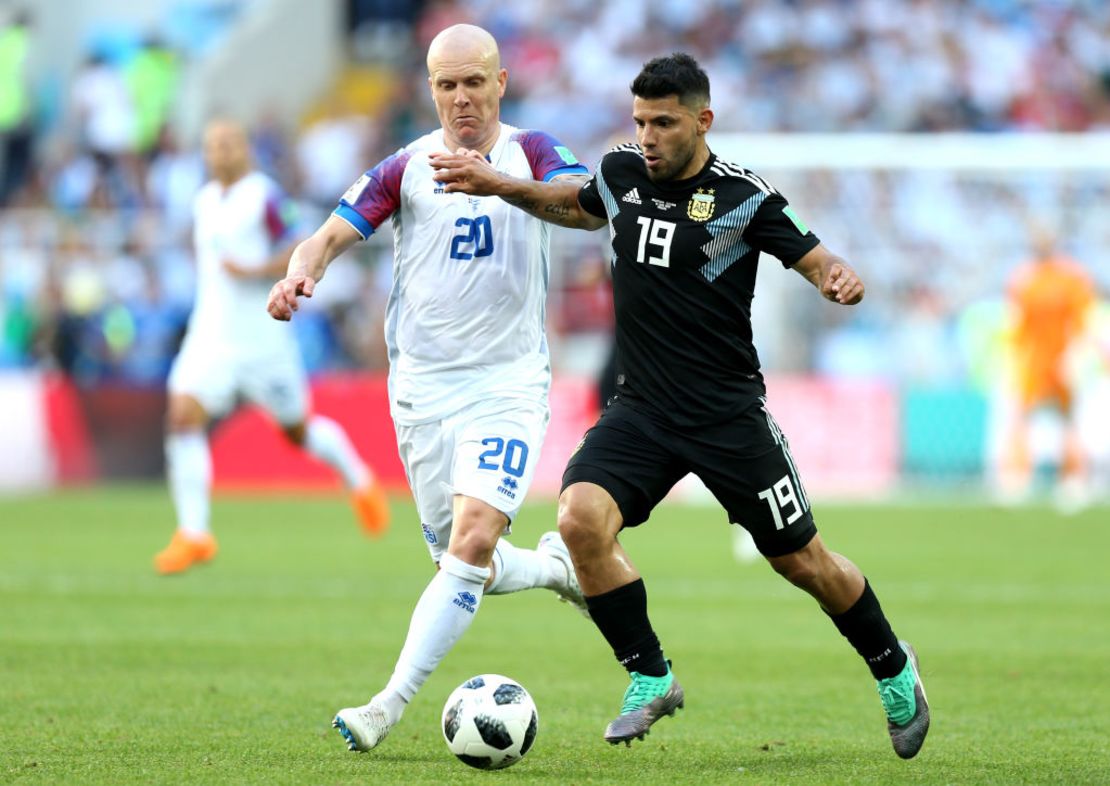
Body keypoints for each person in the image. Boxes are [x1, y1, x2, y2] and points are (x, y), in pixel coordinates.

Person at [431, 53, 930, 759]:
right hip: (642, 410)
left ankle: (892, 666)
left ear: (702, 121)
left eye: (663, 122)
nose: (648, 137)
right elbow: (574, 208)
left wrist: (838, 278)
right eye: (639, 121)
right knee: (578, 519)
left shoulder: (745, 198)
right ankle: (650, 674)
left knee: (803, 562)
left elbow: (818, 261)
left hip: (728, 416)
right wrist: (499, 186)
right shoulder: (619, 172)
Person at [265, 24, 591, 753]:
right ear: (430, 89)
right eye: (446, 85)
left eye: (475, 81)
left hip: (506, 383)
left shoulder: (530, 151)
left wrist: (498, 184)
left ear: (501, 81)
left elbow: (583, 203)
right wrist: (301, 271)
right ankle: (557, 569)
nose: (461, 97)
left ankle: (386, 705)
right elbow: (327, 234)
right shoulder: (405, 168)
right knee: (459, 556)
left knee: (474, 538)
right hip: (420, 390)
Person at [155, 118, 389, 575]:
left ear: (244, 149)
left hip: (263, 340)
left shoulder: (265, 196)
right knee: (182, 416)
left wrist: (257, 269)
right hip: (210, 337)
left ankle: (358, 480)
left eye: (228, 144)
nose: (220, 154)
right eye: (212, 146)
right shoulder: (204, 202)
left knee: (297, 432)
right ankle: (194, 533)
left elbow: (299, 244)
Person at [1003, 229, 1095, 507]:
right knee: (1022, 416)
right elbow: (1018, 322)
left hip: (1062, 357)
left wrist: (1077, 354)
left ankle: (1073, 478)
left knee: (1068, 419)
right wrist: (1014, 355)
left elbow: (1081, 319)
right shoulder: (1024, 278)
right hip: (1034, 359)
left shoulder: (1071, 278)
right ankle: (1019, 476)